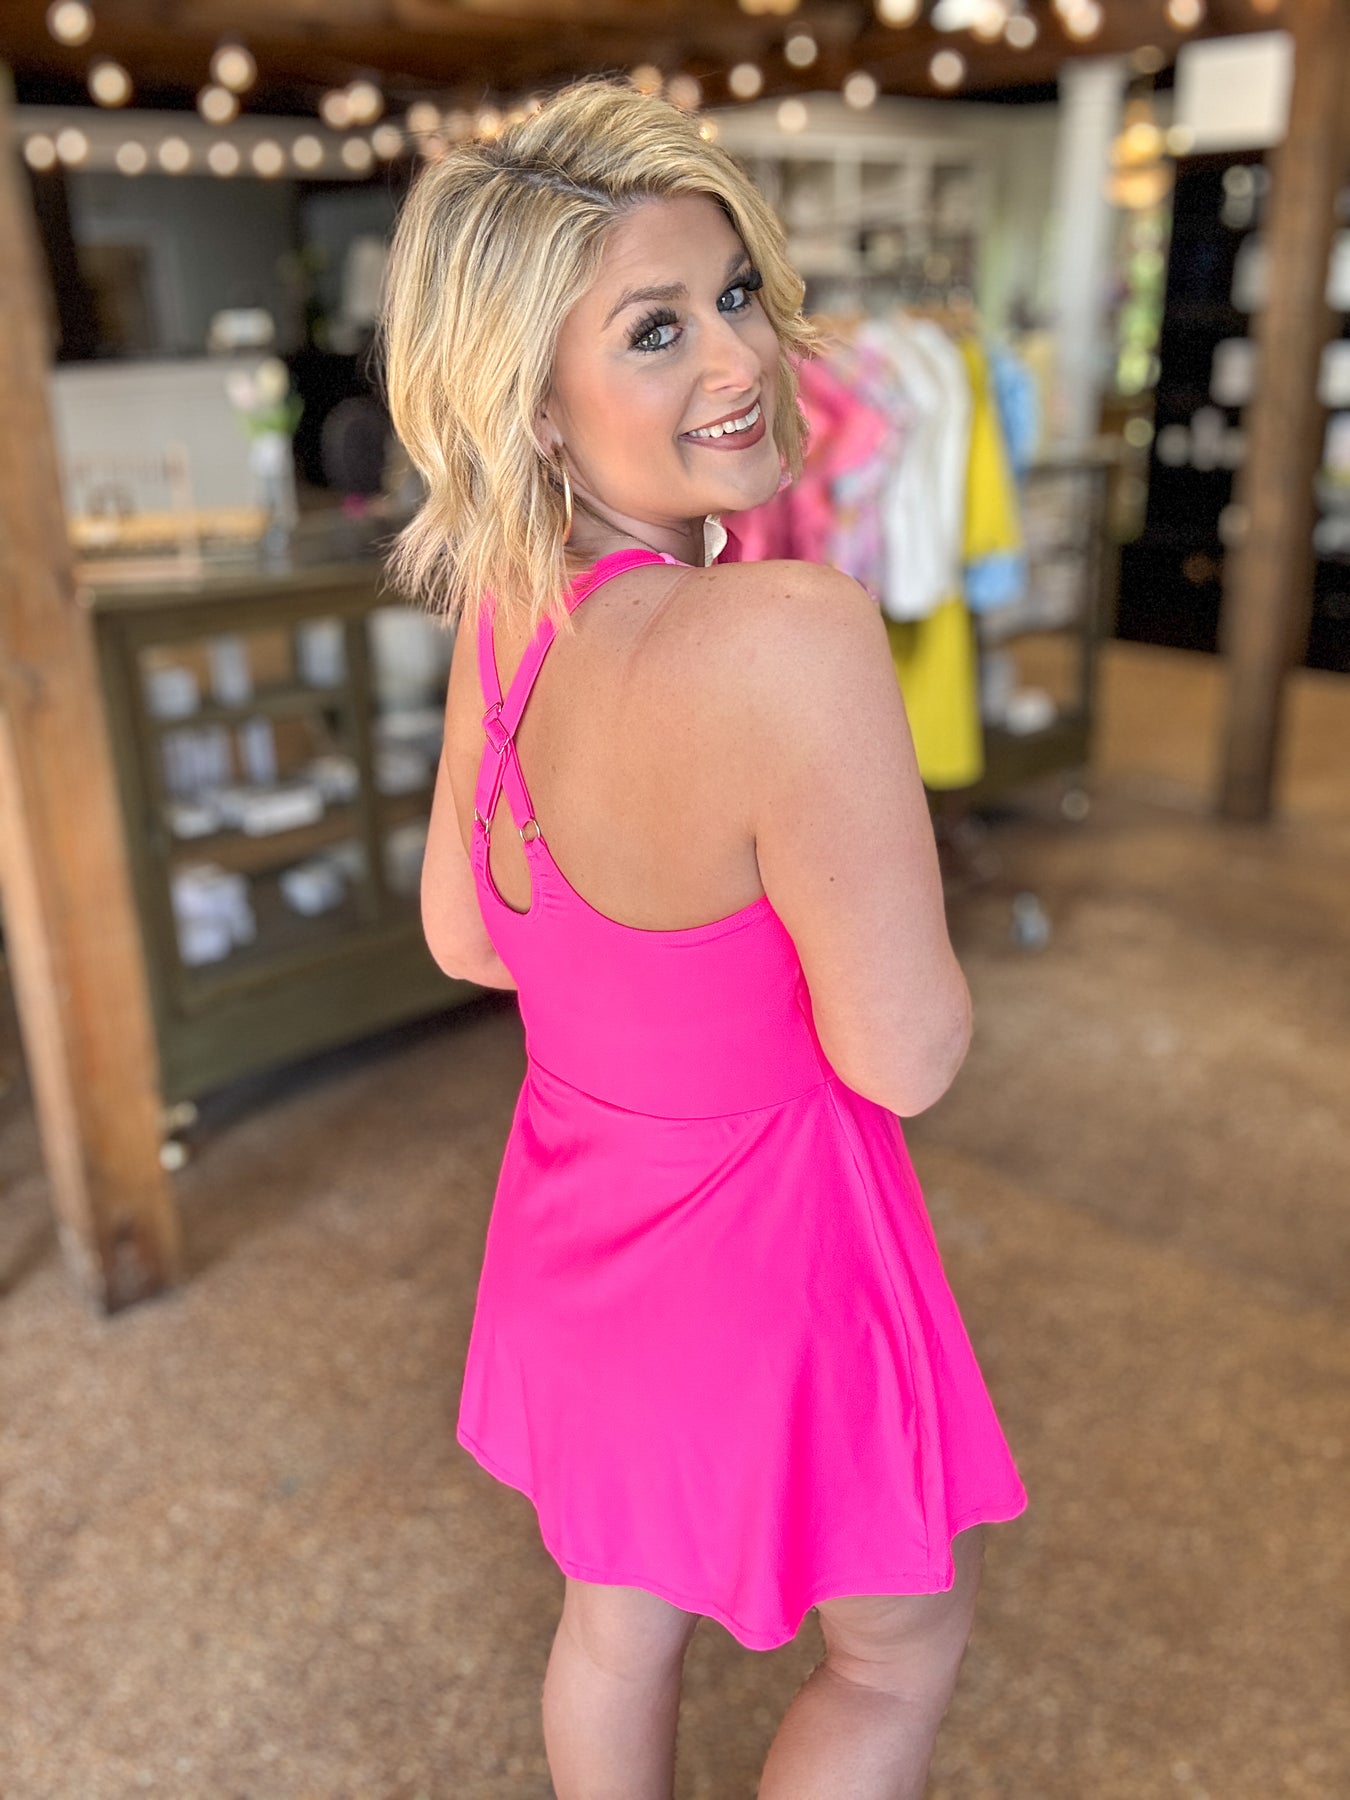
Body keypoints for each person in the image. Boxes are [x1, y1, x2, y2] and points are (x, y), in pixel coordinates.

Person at [381, 75, 1028, 1800]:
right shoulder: (791, 633)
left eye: (735, 294)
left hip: (575, 1222)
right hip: (772, 1250)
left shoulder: (510, 611)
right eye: (655, 330)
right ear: (532, 405)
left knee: (616, 1625)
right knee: (892, 1653)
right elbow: (907, 1051)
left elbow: (466, 935)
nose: (742, 358)